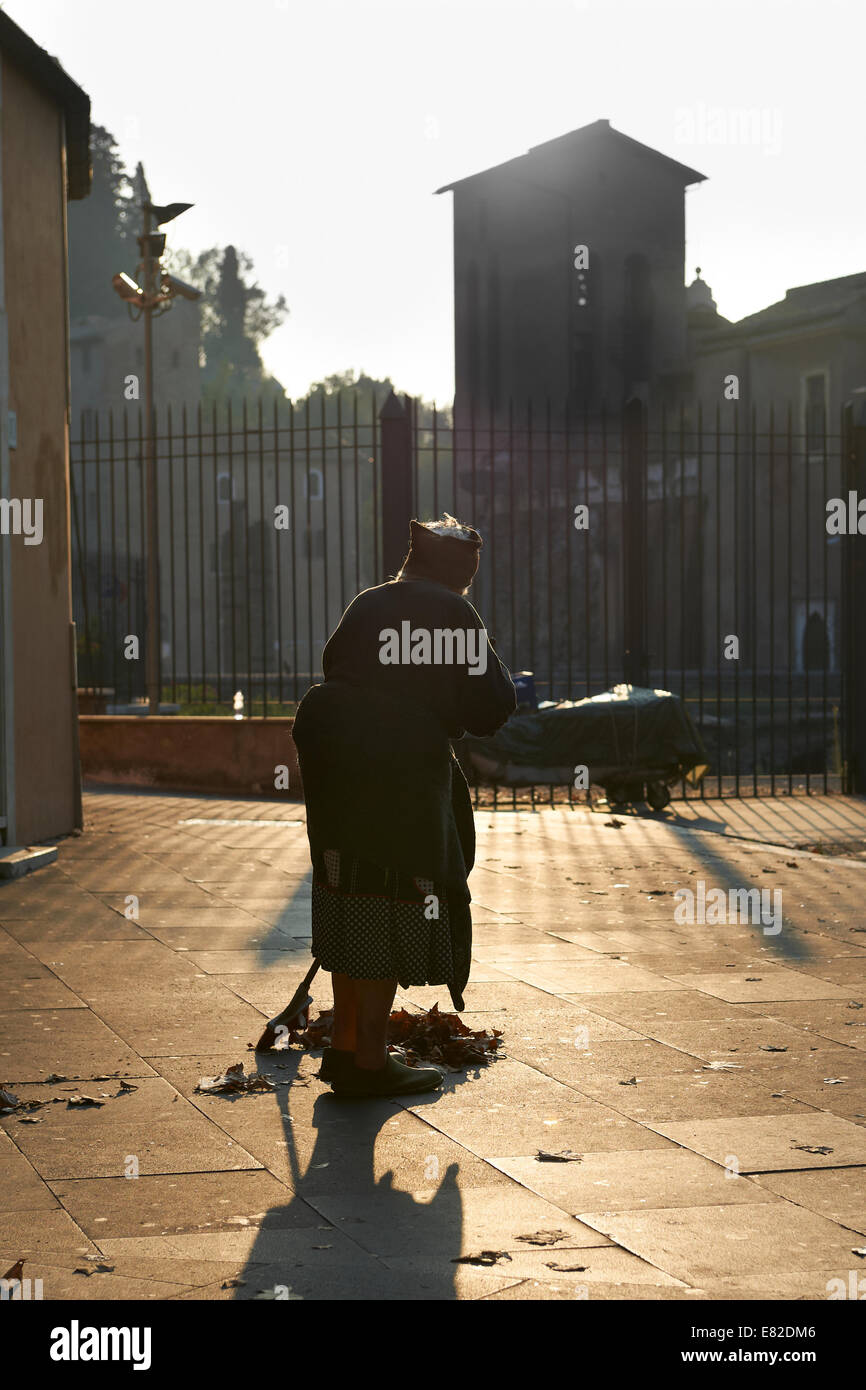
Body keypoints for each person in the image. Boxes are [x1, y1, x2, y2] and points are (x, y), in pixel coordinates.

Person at [292, 514, 516, 1097]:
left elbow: (334, 669)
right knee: (389, 908)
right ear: (460, 573)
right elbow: (490, 708)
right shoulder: (453, 613)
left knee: (347, 901)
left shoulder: (367, 604)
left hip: (337, 786)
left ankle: (344, 1049)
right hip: (402, 788)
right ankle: (370, 1060)